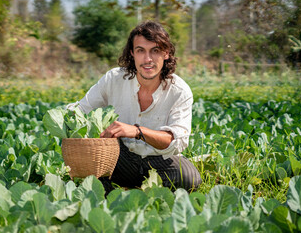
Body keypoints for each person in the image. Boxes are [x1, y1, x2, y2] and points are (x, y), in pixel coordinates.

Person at [68, 20, 202, 192]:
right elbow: (81, 110)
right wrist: (67, 122)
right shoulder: (113, 79)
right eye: (141, 51)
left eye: (155, 51)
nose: (148, 59)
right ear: (132, 53)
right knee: (91, 179)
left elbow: (176, 141)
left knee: (189, 177)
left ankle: (127, 188)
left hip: (160, 159)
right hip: (119, 157)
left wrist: (137, 131)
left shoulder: (179, 91)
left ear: (166, 53)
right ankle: (124, 188)